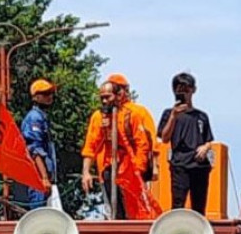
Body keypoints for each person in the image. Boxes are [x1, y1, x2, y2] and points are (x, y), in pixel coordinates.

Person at [80, 80, 157, 220]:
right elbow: (90, 146)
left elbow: (143, 144)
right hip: (108, 169)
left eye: (108, 97)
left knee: (136, 209)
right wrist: (86, 172)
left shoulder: (132, 114)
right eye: (101, 97)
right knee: (114, 210)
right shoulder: (98, 117)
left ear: (118, 95)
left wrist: (139, 171)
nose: (104, 101)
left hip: (130, 169)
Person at [158, 72, 215, 215]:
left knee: (199, 206)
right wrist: (173, 116)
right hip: (179, 165)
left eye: (187, 89)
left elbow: (209, 140)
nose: (184, 92)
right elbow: (164, 138)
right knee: (178, 205)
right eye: (179, 89)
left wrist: (205, 147)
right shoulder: (168, 113)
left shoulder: (201, 116)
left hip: (200, 165)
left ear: (193, 90)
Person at [105, 73, 157, 181]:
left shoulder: (137, 112)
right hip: (113, 166)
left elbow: (148, 142)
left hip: (134, 167)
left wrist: (146, 167)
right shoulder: (105, 114)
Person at [20, 78, 58, 209]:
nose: (50, 97)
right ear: (36, 97)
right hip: (38, 178)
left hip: (43, 177)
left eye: (51, 93)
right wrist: (44, 178)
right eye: (46, 94)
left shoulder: (42, 117)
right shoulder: (34, 118)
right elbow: (35, 150)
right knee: (39, 215)